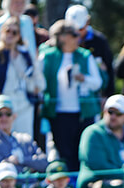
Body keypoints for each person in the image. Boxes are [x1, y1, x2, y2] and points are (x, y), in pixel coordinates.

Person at [39, 20, 102, 171]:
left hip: (83, 113)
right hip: (59, 113)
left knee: (83, 151)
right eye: (74, 35)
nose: (78, 38)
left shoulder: (85, 55)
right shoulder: (48, 56)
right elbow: (39, 83)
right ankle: (67, 182)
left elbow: (98, 82)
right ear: (61, 37)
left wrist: (84, 78)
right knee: (64, 153)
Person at [0, 15, 45, 136]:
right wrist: (1, 100)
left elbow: (38, 82)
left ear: (19, 36)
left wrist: (33, 90)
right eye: (7, 31)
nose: (10, 35)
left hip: (24, 105)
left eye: (14, 32)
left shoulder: (25, 55)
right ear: (1, 32)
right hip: (1, 107)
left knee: (24, 140)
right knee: (0, 139)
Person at [0, 95, 48, 179]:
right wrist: (29, 165)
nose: (4, 118)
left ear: (14, 116)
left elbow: (44, 163)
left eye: (8, 114)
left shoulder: (25, 139)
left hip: (32, 185)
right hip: (4, 186)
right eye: (0, 114)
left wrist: (21, 160)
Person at [65, 4, 114, 97]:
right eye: (73, 30)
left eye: (80, 28)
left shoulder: (100, 41)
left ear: (88, 22)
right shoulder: (64, 41)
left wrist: (107, 95)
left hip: (93, 95)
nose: (77, 33)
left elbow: (109, 68)